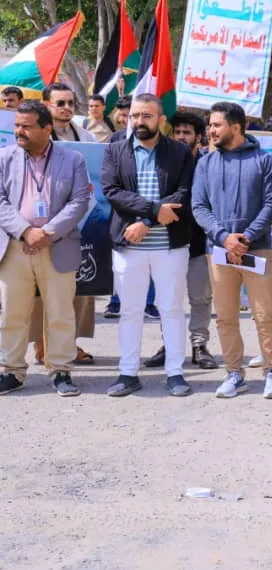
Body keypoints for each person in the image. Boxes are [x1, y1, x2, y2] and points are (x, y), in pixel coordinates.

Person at [100, 94, 195, 398]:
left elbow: (184, 192)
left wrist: (147, 223)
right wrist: (153, 212)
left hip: (169, 245)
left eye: (146, 116)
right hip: (129, 246)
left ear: (161, 120)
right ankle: (128, 373)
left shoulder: (179, 152)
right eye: (135, 116)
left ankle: (175, 373)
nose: (139, 122)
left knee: (171, 309)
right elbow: (112, 190)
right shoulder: (116, 151)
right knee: (130, 310)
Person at [192, 102, 272, 400]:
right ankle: (234, 373)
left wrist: (245, 237)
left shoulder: (264, 161)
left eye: (216, 125)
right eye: (210, 126)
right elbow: (199, 206)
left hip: (256, 250)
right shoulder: (205, 162)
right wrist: (223, 237)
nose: (211, 131)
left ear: (235, 126)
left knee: (264, 314)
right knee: (226, 316)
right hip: (218, 252)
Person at [0, 101, 90, 396]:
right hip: (15, 247)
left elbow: (79, 202)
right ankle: (12, 370)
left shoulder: (72, 159)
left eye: (26, 126)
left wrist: (46, 233)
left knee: (60, 312)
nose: (19, 132)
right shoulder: (4, 158)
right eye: (17, 126)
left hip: (57, 246)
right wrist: (26, 231)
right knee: (12, 312)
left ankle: (60, 370)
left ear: (46, 129)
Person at [142, 111, 219, 370]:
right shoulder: (164, 162)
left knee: (200, 297)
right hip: (168, 241)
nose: (181, 137)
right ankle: (170, 345)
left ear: (199, 137)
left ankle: (199, 345)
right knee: (168, 298)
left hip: (199, 243)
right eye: (177, 132)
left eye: (187, 133)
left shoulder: (209, 164)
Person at [39, 83, 95, 365]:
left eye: (71, 103)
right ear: (46, 105)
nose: (67, 108)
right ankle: (42, 345)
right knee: (38, 292)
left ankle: (70, 344)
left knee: (77, 289)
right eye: (60, 103)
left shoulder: (85, 138)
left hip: (76, 223)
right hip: (38, 226)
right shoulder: (34, 137)